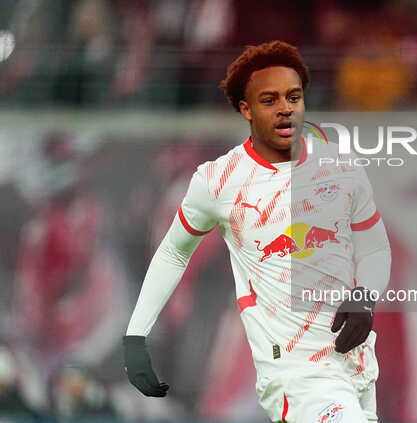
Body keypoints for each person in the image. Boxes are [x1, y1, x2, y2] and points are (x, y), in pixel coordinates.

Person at [122, 40, 391, 422]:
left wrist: (365, 294)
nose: (285, 109)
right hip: (296, 376)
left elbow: (375, 248)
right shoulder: (218, 181)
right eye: (269, 100)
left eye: (293, 97)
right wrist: (136, 336)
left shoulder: (341, 168)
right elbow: (173, 252)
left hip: (356, 364)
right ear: (245, 109)